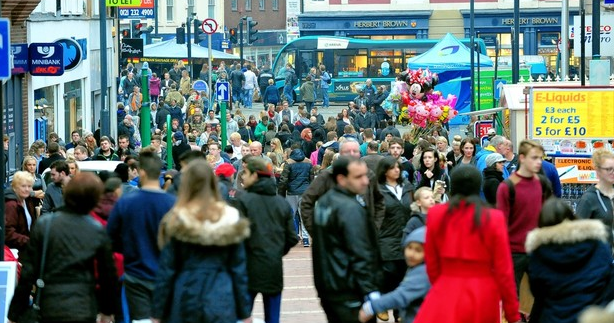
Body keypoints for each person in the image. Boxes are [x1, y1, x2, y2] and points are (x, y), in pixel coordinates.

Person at [413, 165, 520, 323]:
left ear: (453, 186)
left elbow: (431, 263)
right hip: (483, 293)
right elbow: (504, 271)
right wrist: (512, 314)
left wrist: (441, 285)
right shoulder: (494, 217)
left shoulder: (436, 214)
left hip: (446, 287)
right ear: (479, 186)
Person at [8, 172, 118, 323]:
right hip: (83, 305)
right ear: (94, 199)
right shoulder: (97, 230)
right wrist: (107, 311)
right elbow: (107, 276)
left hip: (49, 305)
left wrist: (14, 313)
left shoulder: (45, 225)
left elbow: (29, 272)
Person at [152, 160, 252, 323]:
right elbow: (238, 270)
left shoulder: (177, 218)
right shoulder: (230, 217)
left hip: (185, 296)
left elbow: (167, 271)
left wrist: (158, 311)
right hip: (221, 296)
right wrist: (245, 312)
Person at [107, 151, 176, 321]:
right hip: (166, 276)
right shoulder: (173, 204)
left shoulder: (125, 202)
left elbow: (110, 239)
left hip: (136, 274)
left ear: (142, 172)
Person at [312, 156, 382, 323]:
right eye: (358, 177)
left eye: (365, 175)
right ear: (341, 179)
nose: (365, 181)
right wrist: (370, 291)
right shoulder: (350, 209)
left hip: (330, 286)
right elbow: (360, 252)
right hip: (350, 289)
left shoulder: (324, 202)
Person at [526, 198, 614, 323]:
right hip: (592, 317)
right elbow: (610, 284)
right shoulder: (598, 245)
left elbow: (538, 293)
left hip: (554, 318)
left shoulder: (539, 254)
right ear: (572, 217)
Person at [232, 157, 297, 323]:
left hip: (247, 267)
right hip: (273, 266)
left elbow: (236, 236)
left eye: (245, 173)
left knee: (242, 316)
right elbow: (291, 237)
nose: (243, 177)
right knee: (273, 317)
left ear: (255, 175)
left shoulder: (243, 201)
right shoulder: (281, 204)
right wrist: (277, 251)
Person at [496, 139, 552, 295]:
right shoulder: (507, 187)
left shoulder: (542, 183)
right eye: (534, 158)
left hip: (537, 250)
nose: (539, 162)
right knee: (513, 298)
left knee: (542, 296)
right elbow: (501, 224)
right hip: (514, 252)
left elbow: (547, 217)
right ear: (522, 158)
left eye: (540, 158)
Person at [301, 140, 385, 233]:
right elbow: (307, 201)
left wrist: (375, 227)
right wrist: (316, 232)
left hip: (362, 234)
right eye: (347, 151)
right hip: (334, 236)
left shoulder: (368, 175)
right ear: (340, 154)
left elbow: (379, 201)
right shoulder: (327, 176)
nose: (351, 154)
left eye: (355, 151)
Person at [359, 227, 431, 323]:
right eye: (409, 248)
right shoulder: (416, 268)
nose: (411, 254)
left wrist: (372, 307)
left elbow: (401, 296)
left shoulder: (423, 272)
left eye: (418, 250)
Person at [376, 156, 414, 322]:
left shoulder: (407, 187)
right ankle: (382, 303)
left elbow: (413, 208)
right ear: (384, 171)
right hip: (385, 237)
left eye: (398, 167)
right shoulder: (377, 190)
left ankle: (400, 313)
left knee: (403, 276)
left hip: (406, 238)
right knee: (388, 273)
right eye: (392, 168)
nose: (397, 170)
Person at [577, 149, 614, 247]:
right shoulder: (588, 199)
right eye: (608, 169)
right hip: (599, 257)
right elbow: (578, 233)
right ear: (598, 170)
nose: (612, 172)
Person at [278, 148, 313, 247]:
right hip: (305, 191)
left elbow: (283, 180)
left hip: (291, 192)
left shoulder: (288, 163)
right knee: (304, 215)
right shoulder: (308, 163)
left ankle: (290, 237)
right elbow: (311, 179)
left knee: (290, 215)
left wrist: (280, 194)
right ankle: (306, 239)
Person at [4, 171, 37, 252]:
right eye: (23, 186)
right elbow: (8, 234)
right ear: (14, 187)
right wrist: (30, 242)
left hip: (25, 249)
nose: (27, 189)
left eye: (29, 186)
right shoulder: (11, 205)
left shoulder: (27, 200)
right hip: (14, 251)